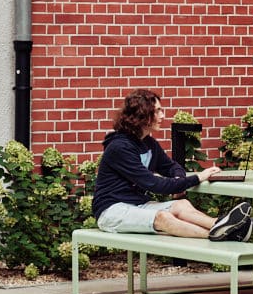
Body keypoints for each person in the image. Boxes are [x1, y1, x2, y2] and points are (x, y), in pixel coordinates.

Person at [92, 90, 226, 237]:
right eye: (157, 111)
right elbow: (154, 184)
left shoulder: (148, 143)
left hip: (138, 205)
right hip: (111, 210)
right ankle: (216, 236)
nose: (163, 116)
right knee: (163, 217)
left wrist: (179, 180)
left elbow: (171, 167)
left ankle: (219, 225)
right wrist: (197, 178)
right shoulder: (119, 147)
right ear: (142, 115)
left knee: (181, 205)